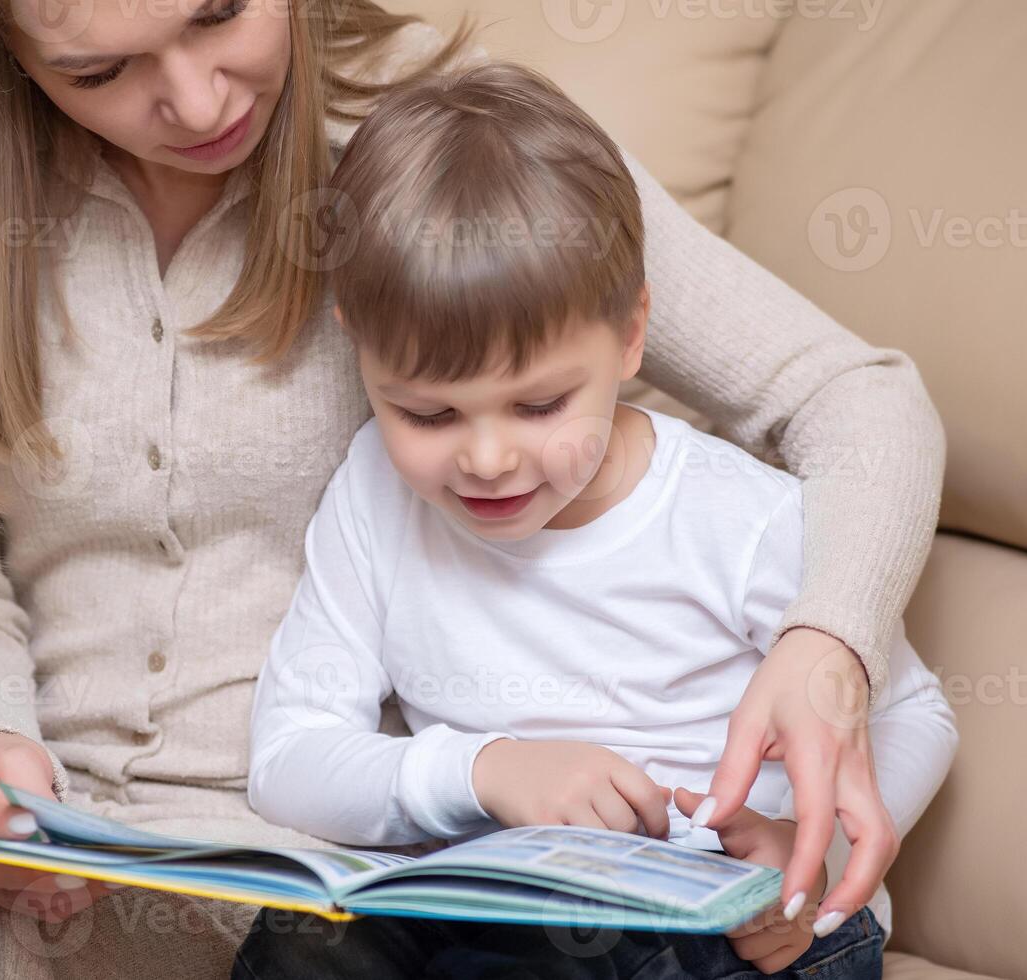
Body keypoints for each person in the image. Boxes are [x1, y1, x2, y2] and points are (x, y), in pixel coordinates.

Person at [0, 2, 946, 978]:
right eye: (97, 70)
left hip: (322, 891)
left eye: (220, 11)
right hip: (37, 873)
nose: (191, 100)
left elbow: (856, 396)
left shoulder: (425, 155)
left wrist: (829, 644)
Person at [238, 63, 957, 978]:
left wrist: (813, 855)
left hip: (727, 908)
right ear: (360, 348)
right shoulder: (373, 493)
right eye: (427, 414)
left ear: (630, 335)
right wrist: (484, 771)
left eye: (539, 407)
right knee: (298, 945)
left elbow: (915, 713)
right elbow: (292, 759)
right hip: (490, 895)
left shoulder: (735, 518)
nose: (487, 459)